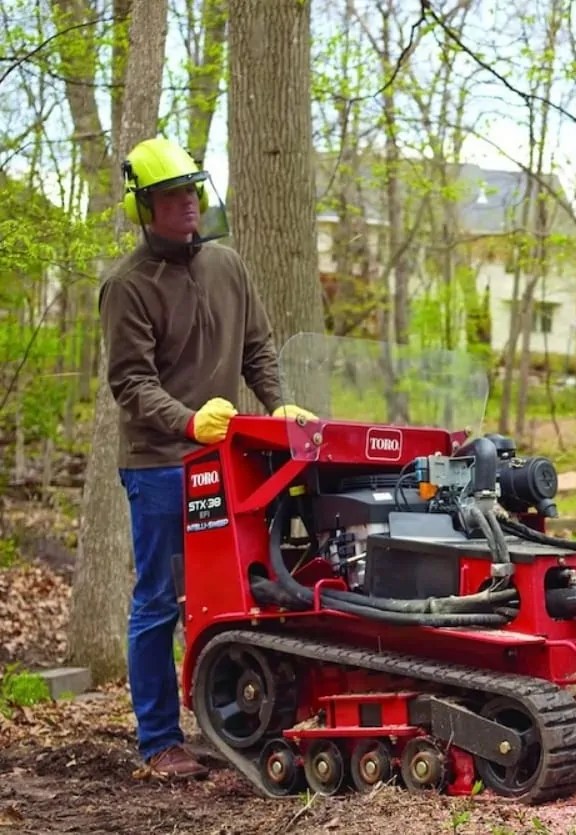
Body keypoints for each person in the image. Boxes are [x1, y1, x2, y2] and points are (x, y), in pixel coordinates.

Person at [98, 136, 314, 780]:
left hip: (226, 458)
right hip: (162, 462)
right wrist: (188, 420)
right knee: (160, 600)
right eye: (171, 196)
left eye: (192, 191)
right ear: (146, 207)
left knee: (238, 590)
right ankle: (159, 741)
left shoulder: (228, 265)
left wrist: (278, 406)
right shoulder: (127, 286)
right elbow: (131, 384)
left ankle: (231, 716)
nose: (187, 204)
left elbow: (258, 348)